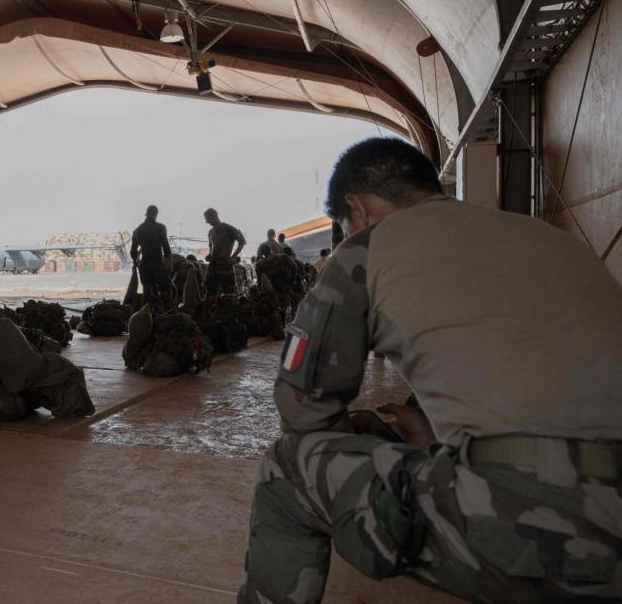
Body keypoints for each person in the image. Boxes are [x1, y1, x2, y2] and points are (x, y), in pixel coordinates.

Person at [238, 137, 622, 604]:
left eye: (343, 226)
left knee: (287, 467)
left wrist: (361, 460)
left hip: (561, 531)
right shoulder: (553, 239)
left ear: (357, 209)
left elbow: (305, 412)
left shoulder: (366, 249)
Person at [129, 205, 173, 306]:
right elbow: (166, 247)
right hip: (158, 264)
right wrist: (169, 262)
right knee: (166, 291)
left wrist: (136, 262)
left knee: (147, 293)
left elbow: (133, 252)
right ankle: (167, 314)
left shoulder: (137, 230)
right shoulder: (160, 227)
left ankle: (148, 316)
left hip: (144, 266)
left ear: (146, 214)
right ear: (156, 214)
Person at [202, 208, 246, 294]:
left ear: (214, 216)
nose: (207, 222)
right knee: (210, 294)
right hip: (212, 266)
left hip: (225, 264)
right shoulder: (210, 232)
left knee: (229, 294)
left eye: (207, 219)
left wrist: (233, 256)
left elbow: (242, 241)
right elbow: (211, 246)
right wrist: (209, 255)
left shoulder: (229, 229)